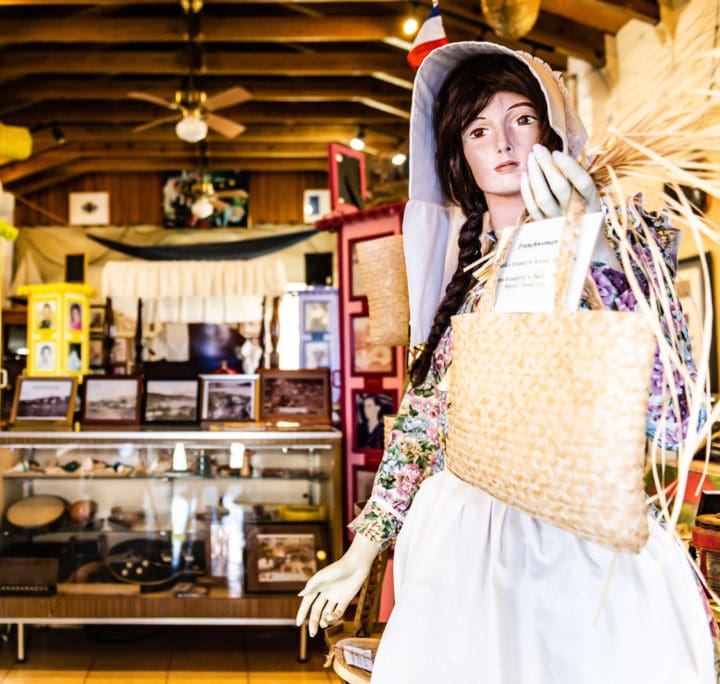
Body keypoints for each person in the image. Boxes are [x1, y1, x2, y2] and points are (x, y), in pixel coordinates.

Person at [296, 42, 716, 682]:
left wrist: (596, 251)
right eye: (479, 128)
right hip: (467, 552)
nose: (505, 144)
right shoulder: (466, 274)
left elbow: (676, 415)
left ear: (551, 131)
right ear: (460, 156)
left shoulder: (627, 241)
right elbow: (423, 425)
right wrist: (363, 550)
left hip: (587, 552)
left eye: (522, 119)